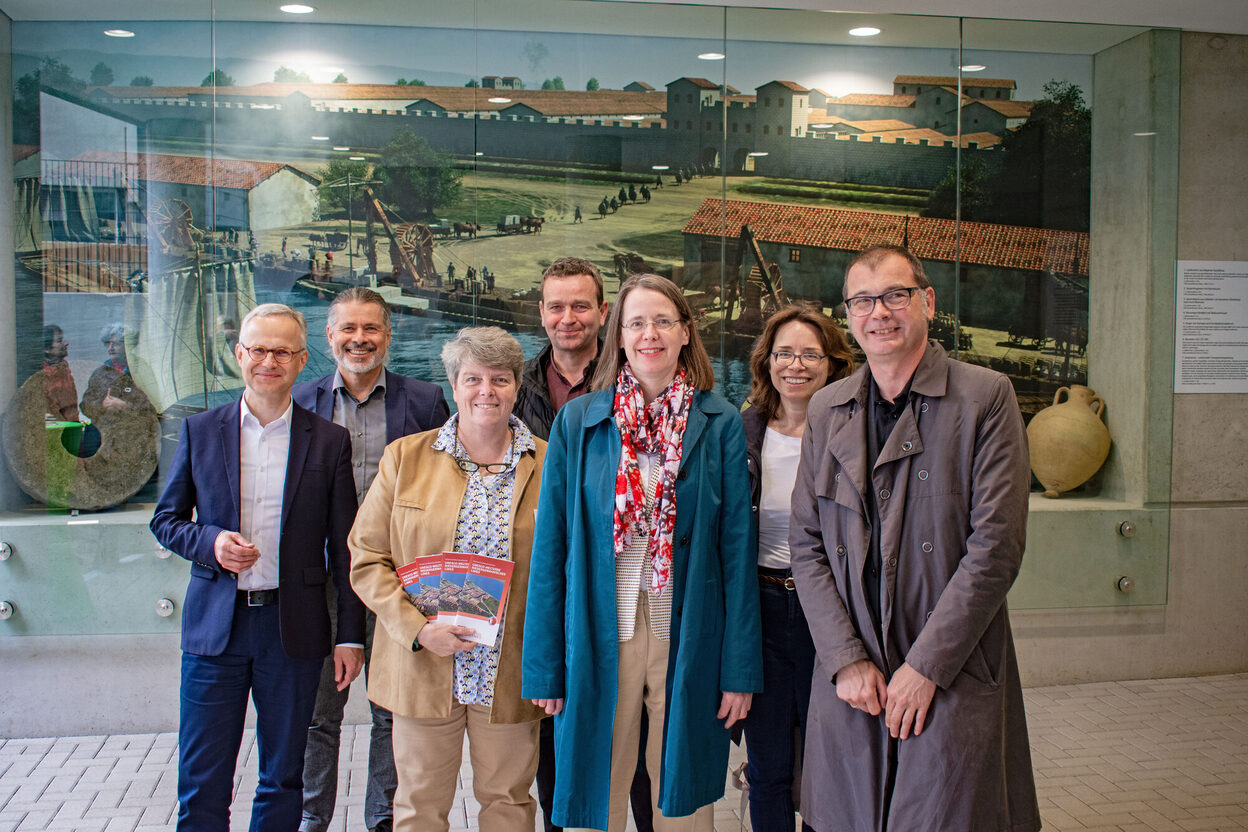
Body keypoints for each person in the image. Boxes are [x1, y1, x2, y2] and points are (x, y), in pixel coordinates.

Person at [789, 245, 1040, 832]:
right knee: (847, 815)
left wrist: (927, 666)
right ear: (848, 313)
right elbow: (807, 543)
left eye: (895, 296)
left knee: (945, 811)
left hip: (949, 668)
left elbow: (996, 546)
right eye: (863, 300)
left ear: (926, 302)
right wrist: (845, 660)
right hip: (854, 678)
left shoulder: (985, 397)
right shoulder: (827, 408)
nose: (880, 312)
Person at [522, 274, 762, 832]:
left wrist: (739, 668)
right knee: (594, 787)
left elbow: (735, 553)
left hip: (687, 632)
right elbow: (550, 551)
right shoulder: (580, 422)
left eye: (662, 321)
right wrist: (543, 669)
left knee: (680, 792)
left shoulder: (719, 420)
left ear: (684, 333)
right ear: (619, 336)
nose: (649, 333)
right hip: (601, 628)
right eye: (636, 322)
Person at [150, 303, 365, 832]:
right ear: (240, 355)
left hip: (291, 631)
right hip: (214, 632)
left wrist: (351, 637)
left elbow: (345, 547)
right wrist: (210, 542)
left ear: (300, 360)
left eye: (283, 352)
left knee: (284, 777)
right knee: (202, 781)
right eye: (259, 350)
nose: (270, 361)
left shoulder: (330, 440)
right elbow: (166, 520)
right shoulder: (201, 430)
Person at [349, 326, 546, 832]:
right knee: (418, 806)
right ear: (454, 386)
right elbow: (367, 558)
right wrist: (417, 629)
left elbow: (564, 572)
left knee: (509, 802)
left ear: (517, 387)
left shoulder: (550, 463)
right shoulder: (405, 458)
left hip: (510, 668)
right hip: (423, 665)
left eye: (500, 379)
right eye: (473, 378)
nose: (487, 391)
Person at [293, 287, 449, 832]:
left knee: (392, 714)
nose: (360, 339)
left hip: (397, 581)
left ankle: (382, 821)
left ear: (388, 334)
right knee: (318, 717)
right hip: (323, 583)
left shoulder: (426, 402)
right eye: (348, 329)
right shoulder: (301, 401)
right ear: (329, 335)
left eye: (372, 329)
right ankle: (312, 820)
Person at [740, 306, 853, 832]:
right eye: (785, 352)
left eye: (811, 354)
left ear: (832, 364)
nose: (796, 365)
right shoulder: (745, 429)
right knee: (767, 764)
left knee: (829, 761)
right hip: (760, 611)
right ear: (767, 361)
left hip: (825, 610)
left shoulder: (852, 433)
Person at [513, 257, 608, 442]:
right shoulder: (516, 385)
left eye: (580, 306)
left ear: (602, 312)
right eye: (556, 307)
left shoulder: (629, 379)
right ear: (542, 313)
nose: (567, 319)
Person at [42, 324, 79, 422]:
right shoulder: (43, 376)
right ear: (47, 349)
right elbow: (50, 415)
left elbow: (70, 408)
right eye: (59, 341)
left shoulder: (63, 369)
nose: (66, 343)